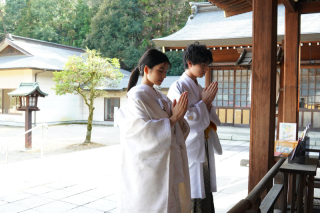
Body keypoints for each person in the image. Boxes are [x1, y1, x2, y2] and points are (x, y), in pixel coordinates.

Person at [117, 49, 192, 213]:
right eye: (160, 70)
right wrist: (172, 120)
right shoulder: (137, 96)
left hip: (168, 160)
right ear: (146, 69)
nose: (163, 75)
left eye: (165, 71)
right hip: (150, 168)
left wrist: (179, 117)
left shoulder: (162, 97)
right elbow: (141, 133)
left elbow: (178, 131)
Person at [167, 42, 222, 213]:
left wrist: (207, 103)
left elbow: (208, 116)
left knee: (203, 183)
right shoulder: (178, 87)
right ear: (190, 63)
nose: (206, 68)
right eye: (203, 64)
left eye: (207, 65)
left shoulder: (197, 87)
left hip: (202, 143)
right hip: (189, 146)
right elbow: (185, 118)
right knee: (191, 184)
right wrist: (204, 101)